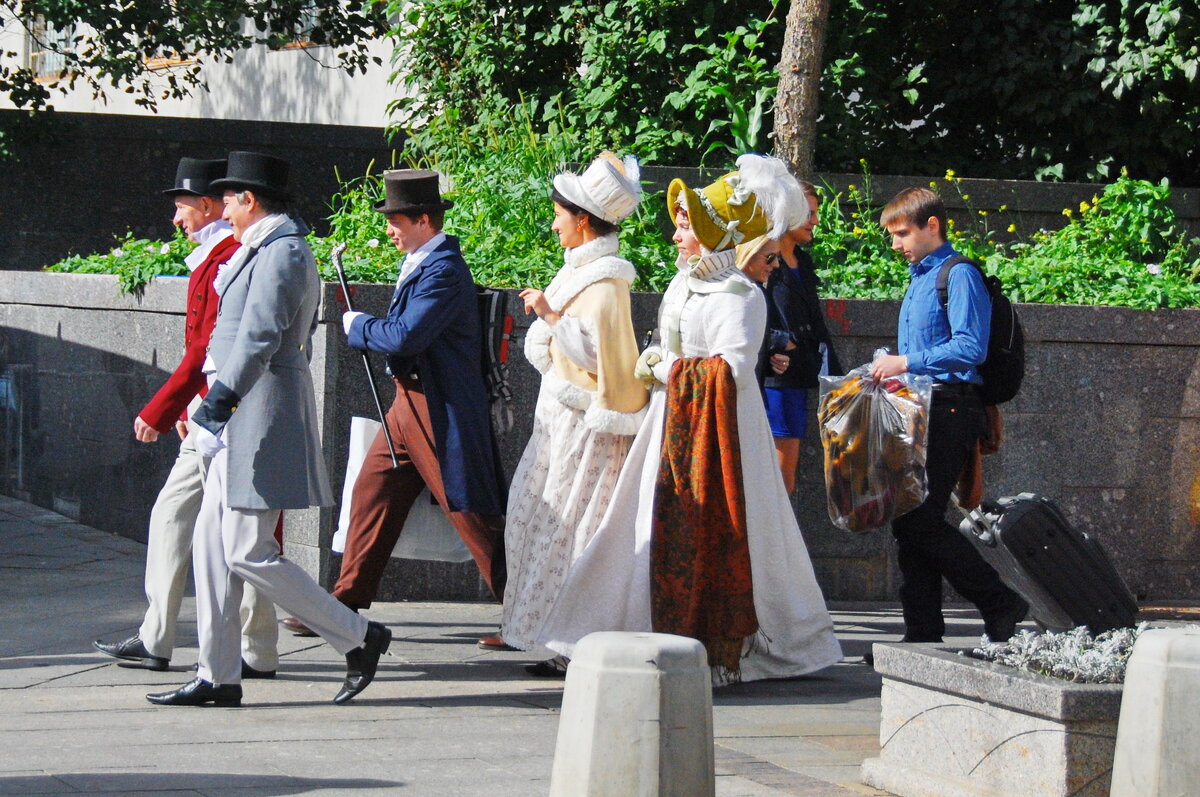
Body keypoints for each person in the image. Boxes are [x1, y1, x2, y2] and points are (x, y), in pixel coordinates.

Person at [538, 169, 843, 684]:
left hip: (723, 437)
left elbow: (732, 370)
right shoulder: (684, 282)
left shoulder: (740, 296)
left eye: (685, 227)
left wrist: (664, 368)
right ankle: (608, 632)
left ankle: (757, 644)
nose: (676, 235)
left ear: (713, 233)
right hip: (669, 422)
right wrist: (661, 359)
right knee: (633, 525)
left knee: (738, 531)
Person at [147, 151, 390, 708]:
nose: (222, 209)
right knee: (212, 549)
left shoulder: (283, 252)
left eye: (229, 199)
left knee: (247, 552)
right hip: (235, 412)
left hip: (255, 412)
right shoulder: (262, 248)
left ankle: (358, 636)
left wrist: (216, 405)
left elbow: (259, 338)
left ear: (250, 201)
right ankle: (217, 674)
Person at [93, 157, 278, 678]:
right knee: (208, 525)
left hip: (228, 408)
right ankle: (239, 646)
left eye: (180, 208)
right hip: (213, 406)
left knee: (226, 529)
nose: (175, 220)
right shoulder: (218, 253)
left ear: (207, 205)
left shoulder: (232, 256)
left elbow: (211, 346)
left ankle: (229, 645)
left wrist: (170, 406)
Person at [332, 170, 507, 621]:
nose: (389, 229)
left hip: (438, 407)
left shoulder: (444, 270)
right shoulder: (425, 263)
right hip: (407, 403)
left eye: (396, 221)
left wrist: (358, 326)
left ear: (424, 220)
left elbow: (405, 336)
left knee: (470, 514)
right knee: (373, 491)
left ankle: (527, 611)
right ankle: (345, 602)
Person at [500, 153, 648, 675]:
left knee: (575, 528)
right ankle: (550, 636)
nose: (554, 222)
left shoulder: (605, 283)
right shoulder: (584, 273)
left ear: (583, 219)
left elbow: (600, 356)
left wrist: (549, 314)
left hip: (585, 425)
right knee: (543, 521)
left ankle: (571, 645)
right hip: (563, 417)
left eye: (560, 214)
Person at [870, 186, 1028, 649]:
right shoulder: (921, 276)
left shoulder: (957, 275)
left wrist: (905, 361)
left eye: (901, 234)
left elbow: (969, 346)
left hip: (951, 409)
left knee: (917, 519)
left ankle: (999, 600)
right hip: (925, 408)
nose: (895, 244)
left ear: (931, 226)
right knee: (910, 518)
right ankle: (921, 634)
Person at [736, 156, 843, 494]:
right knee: (776, 479)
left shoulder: (803, 260)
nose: (815, 220)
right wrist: (781, 344)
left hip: (799, 379)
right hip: (774, 381)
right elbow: (749, 314)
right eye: (808, 213)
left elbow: (815, 323)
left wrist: (839, 378)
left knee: (786, 479)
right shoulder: (762, 261)